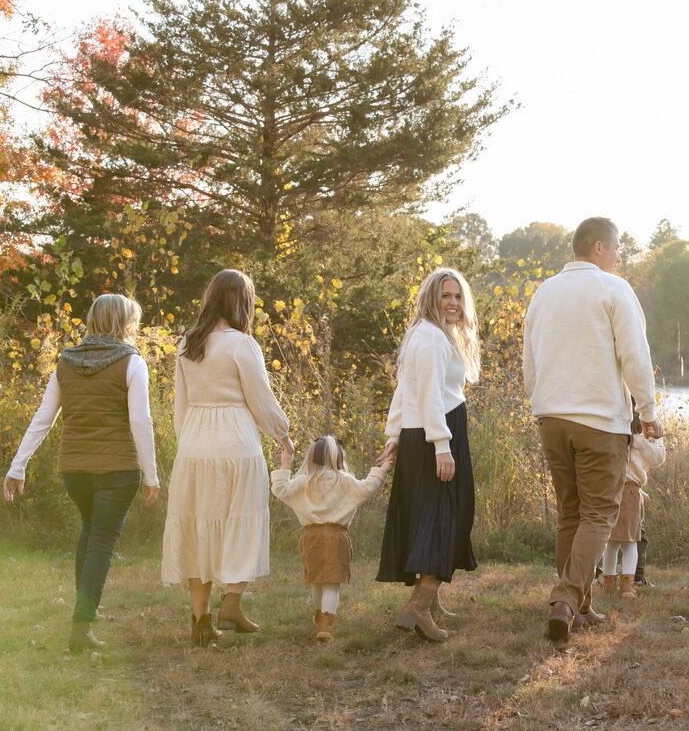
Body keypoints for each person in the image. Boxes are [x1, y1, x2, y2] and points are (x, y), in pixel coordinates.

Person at [523, 216, 661, 644]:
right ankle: (565, 599)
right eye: (617, 249)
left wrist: (540, 404)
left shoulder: (543, 293)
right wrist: (648, 408)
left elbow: (530, 359)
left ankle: (580, 607)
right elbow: (635, 355)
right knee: (600, 513)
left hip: (551, 417)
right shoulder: (612, 288)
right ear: (599, 247)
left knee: (571, 512)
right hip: (598, 420)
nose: (619, 257)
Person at [4, 294, 160, 652]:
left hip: (74, 470)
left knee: (91, 532)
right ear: (123, 324)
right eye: (132, 321)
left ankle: (83, 610)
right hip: (118, 469)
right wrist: (151, 475)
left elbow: (43, 417)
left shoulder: (67, 361)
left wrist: (18, 465)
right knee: (101, 541)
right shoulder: (132, 362)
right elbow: (140, 421)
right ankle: (82, 625)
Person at [160, 269, 294, 647]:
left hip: (195, 443)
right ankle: (231, 602)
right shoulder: (242, 344)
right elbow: (261, 398)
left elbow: (180, 406)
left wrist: (187, 444)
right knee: (243, 519)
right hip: (235, 441)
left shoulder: (188, 342)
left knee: (197, 526)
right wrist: (283, 437)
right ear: (242, 302)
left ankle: (200, 619)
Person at [377, 267, 481, 643]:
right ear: (432, 299)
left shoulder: (425, 334)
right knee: (447, 518)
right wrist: (442, 446)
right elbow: (430, 395)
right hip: (436, 434)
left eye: (457, 297)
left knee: (432, 519)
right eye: (446, 296)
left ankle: (428, 600)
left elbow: (405, 389)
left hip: (419, 432)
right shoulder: (433, 339)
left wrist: (395, 434)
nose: (453, 303)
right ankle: (417, 609)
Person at [271, 435, 392, 640]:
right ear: (338, 457)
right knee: (331, 583)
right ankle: (325, 624)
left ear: (312, 457)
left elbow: (280, 489)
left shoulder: (304, 481)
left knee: (317, 581)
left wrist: (285, 464)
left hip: (311, 537)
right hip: (336, 536)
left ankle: (320, 618)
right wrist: (383, 469)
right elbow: (368, 487)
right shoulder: (343, 481)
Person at [601, 411, 665, 600]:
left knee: (610, 542)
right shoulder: (638, 441)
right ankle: (627, 586)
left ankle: (609, 583)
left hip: (608, 490)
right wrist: (658, 438)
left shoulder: (608, 436)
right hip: (629, 492)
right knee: (630, 542)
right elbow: (657, 458)